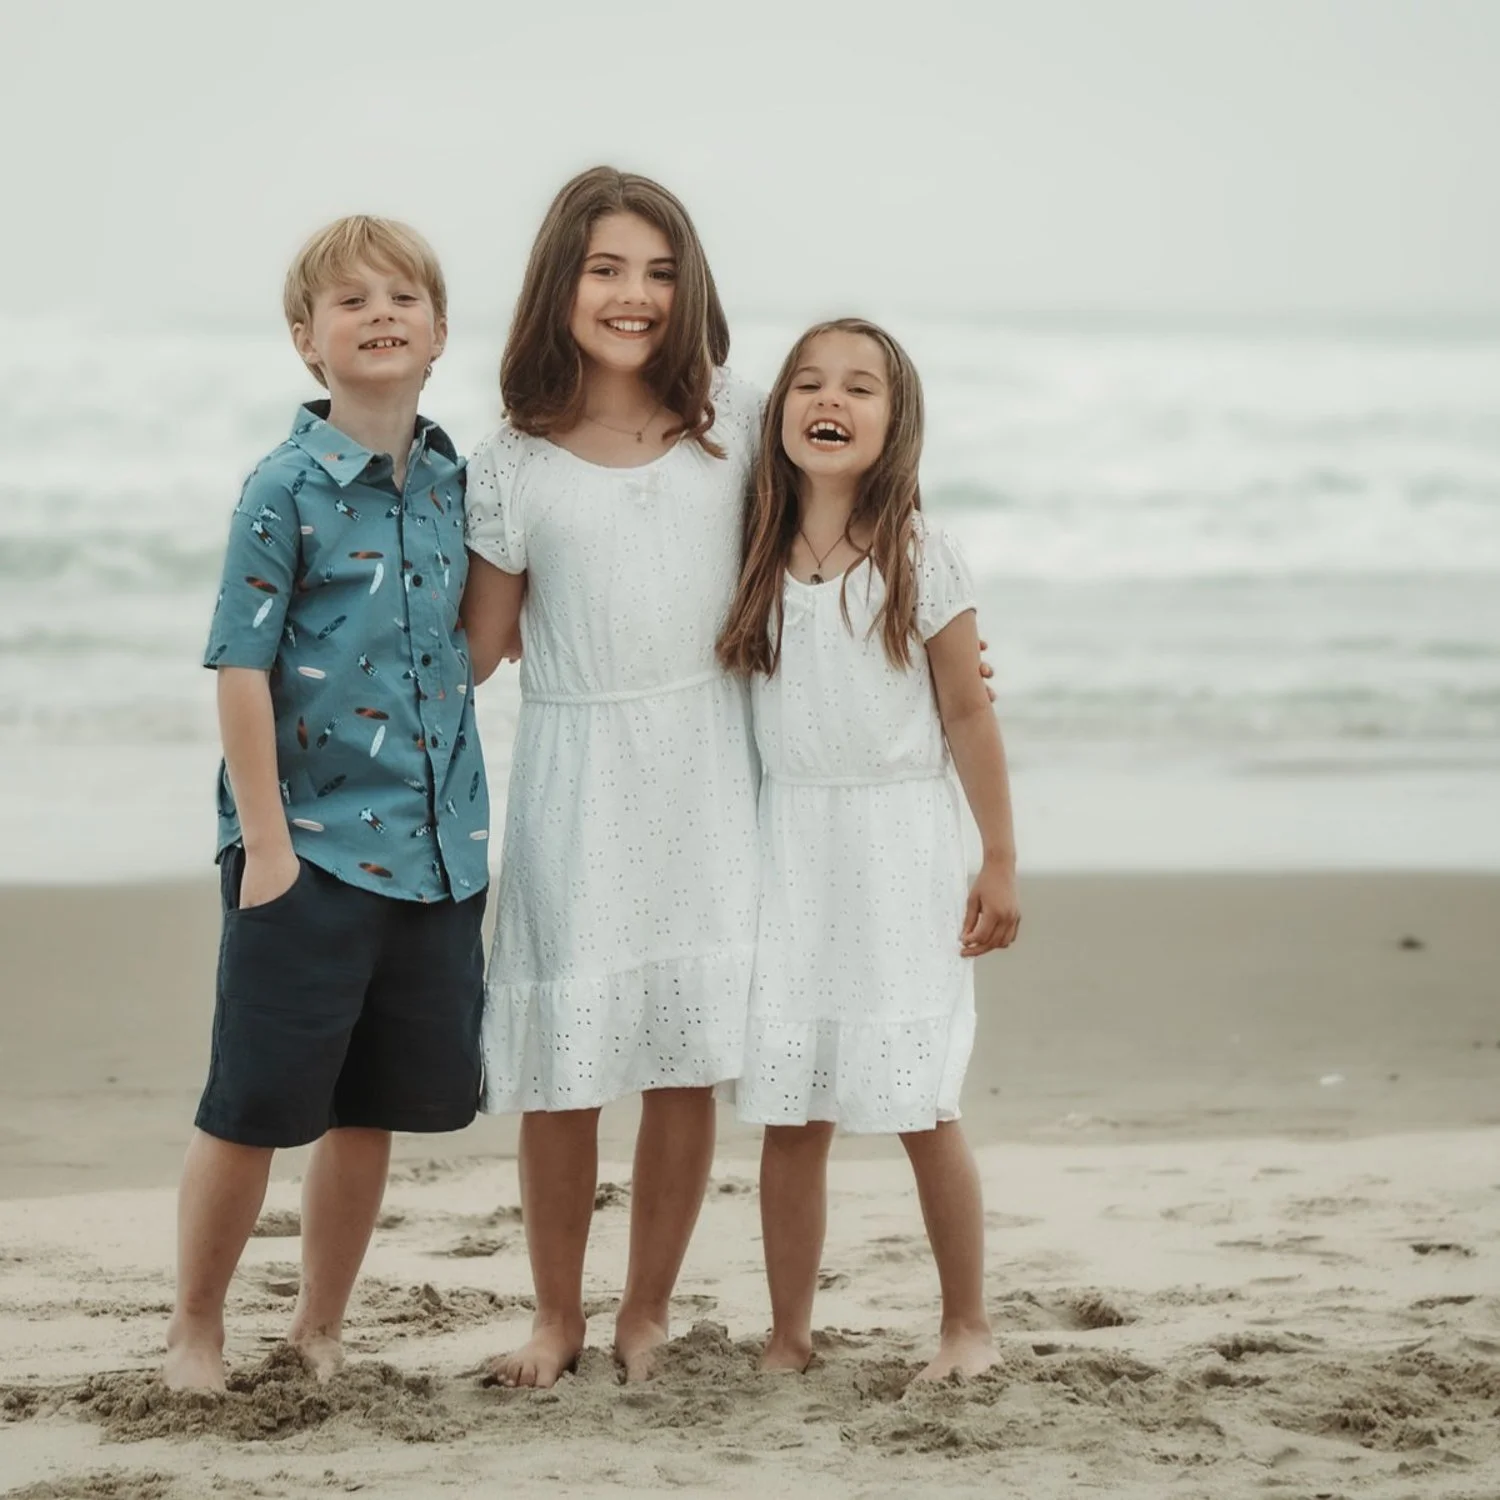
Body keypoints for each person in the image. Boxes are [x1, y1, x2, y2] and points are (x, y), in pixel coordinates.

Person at [164, 216, 489, 1391]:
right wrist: (264, 847)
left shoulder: (458, 483)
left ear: (441, 330)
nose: (383, 313)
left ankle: (318, 1327)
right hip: (301, 848)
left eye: (404, 295)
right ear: (308, 341)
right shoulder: (284, 487)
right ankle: (195, 1327)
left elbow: (481, 642)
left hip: (436, 850)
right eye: (352, 302)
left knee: (371, 1110)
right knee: (250, 1104)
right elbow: (238, 665)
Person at [461, 167, 762, 1387]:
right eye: (606, 269)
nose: (634, 295)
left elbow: (834, 545)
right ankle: (555, 1317)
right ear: (560, 285)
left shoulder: (732, 422)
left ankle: (645, 1311)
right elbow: (477, 651)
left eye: (658, 270)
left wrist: (940, 644)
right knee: (564, 1066)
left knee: (684, 1053)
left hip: (706, 768)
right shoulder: (512, 461)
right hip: (575, 776)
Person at [717, 318, 1020, 1382]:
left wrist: (999, 859)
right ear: (778, 414)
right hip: (788, 851)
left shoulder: (923, 556)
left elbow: (970, 716)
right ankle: (789, 1335)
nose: (827, 400)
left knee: (921, 1100)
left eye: (859, 387)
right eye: (806, 384)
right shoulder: (750, 550)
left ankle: (965, 1325)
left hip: (899, 851)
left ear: (899, 424)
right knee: (791, 1110)